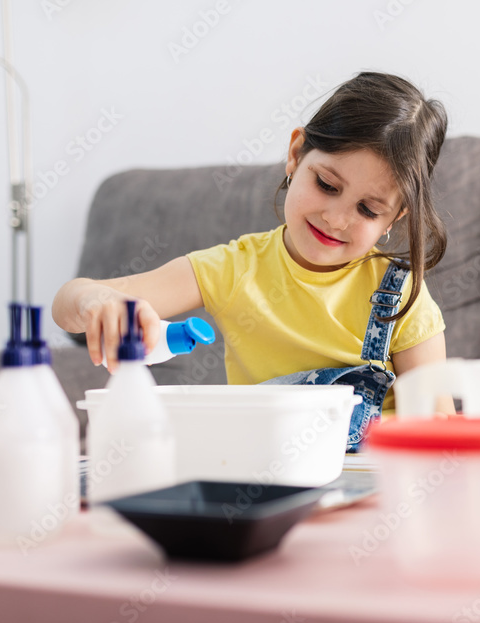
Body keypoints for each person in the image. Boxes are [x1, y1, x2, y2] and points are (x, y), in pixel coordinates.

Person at [52, 71, 454, 450]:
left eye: (368, 210)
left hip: (373, 488)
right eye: (327, 185)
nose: (336, 219)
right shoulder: (234, 269)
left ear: (395, 218)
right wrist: (95, 303)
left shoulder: (401, 297)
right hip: (262, 478)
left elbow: (439, 433)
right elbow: (69, 302)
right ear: (296, 155)